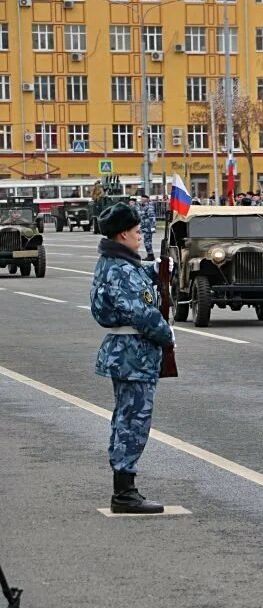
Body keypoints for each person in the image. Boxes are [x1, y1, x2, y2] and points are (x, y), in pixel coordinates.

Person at [90, 203, 174, 514]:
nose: (140, 237)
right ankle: (124, 493)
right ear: (123, 233)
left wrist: (160, 269)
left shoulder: (115, 262)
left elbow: (138, 278)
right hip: (133, 354)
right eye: (137, 232)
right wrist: (167, 335)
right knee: (134, 421)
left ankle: (124, 487)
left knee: (126, 418)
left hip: (126, 353)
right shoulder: (122, 269)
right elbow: (140, 311)